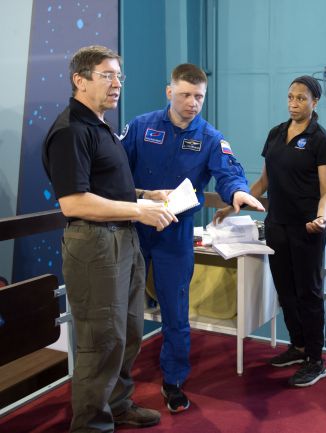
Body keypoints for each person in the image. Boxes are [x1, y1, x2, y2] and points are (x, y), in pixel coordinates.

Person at [41, 45, 178, 432]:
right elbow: (74, 202)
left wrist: (143, 196)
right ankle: (91, 425)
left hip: (122, 240)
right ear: (79, 80)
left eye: (119, 76)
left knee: (129, 332)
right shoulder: (70, 130)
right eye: (107, 75)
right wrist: (140, 211)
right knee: (101, 341)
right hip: (94, 244)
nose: (117, 83)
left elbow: (102, 187)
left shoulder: (100, 126)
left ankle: (117, 405)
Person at [121, 63, 264, 412]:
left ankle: (172, 381)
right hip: (135, 229)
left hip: (176, 234)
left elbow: (228, 174)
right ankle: (117, 379)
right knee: (122, 309)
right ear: (169, 92)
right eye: (185, 94)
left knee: (175, 312)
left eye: (199, 96)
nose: (192, 102)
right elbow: (116, 171)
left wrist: (238, 194)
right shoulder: (141, 127)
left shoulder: (211, 138)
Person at [215, 76, 326, 387]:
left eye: (301, 98)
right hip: (277, 224)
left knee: (308, 293)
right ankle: (297, 346)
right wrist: (233, 204)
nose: (294, 103)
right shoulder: (276, 134)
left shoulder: (321, 139)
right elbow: (262, 183)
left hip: (308, 228)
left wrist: (321, 217)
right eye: (290, 97)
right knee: (285, 289)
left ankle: (315, 359)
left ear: (315, 103)